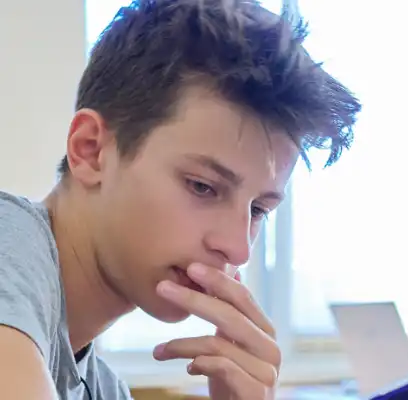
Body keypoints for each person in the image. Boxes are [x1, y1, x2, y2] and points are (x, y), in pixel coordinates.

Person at [0, 0, 360, 399]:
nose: (237, 249)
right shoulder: (7, 239)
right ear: (90, 150)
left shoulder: (102, 389)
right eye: (202, 186)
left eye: (258, 210)